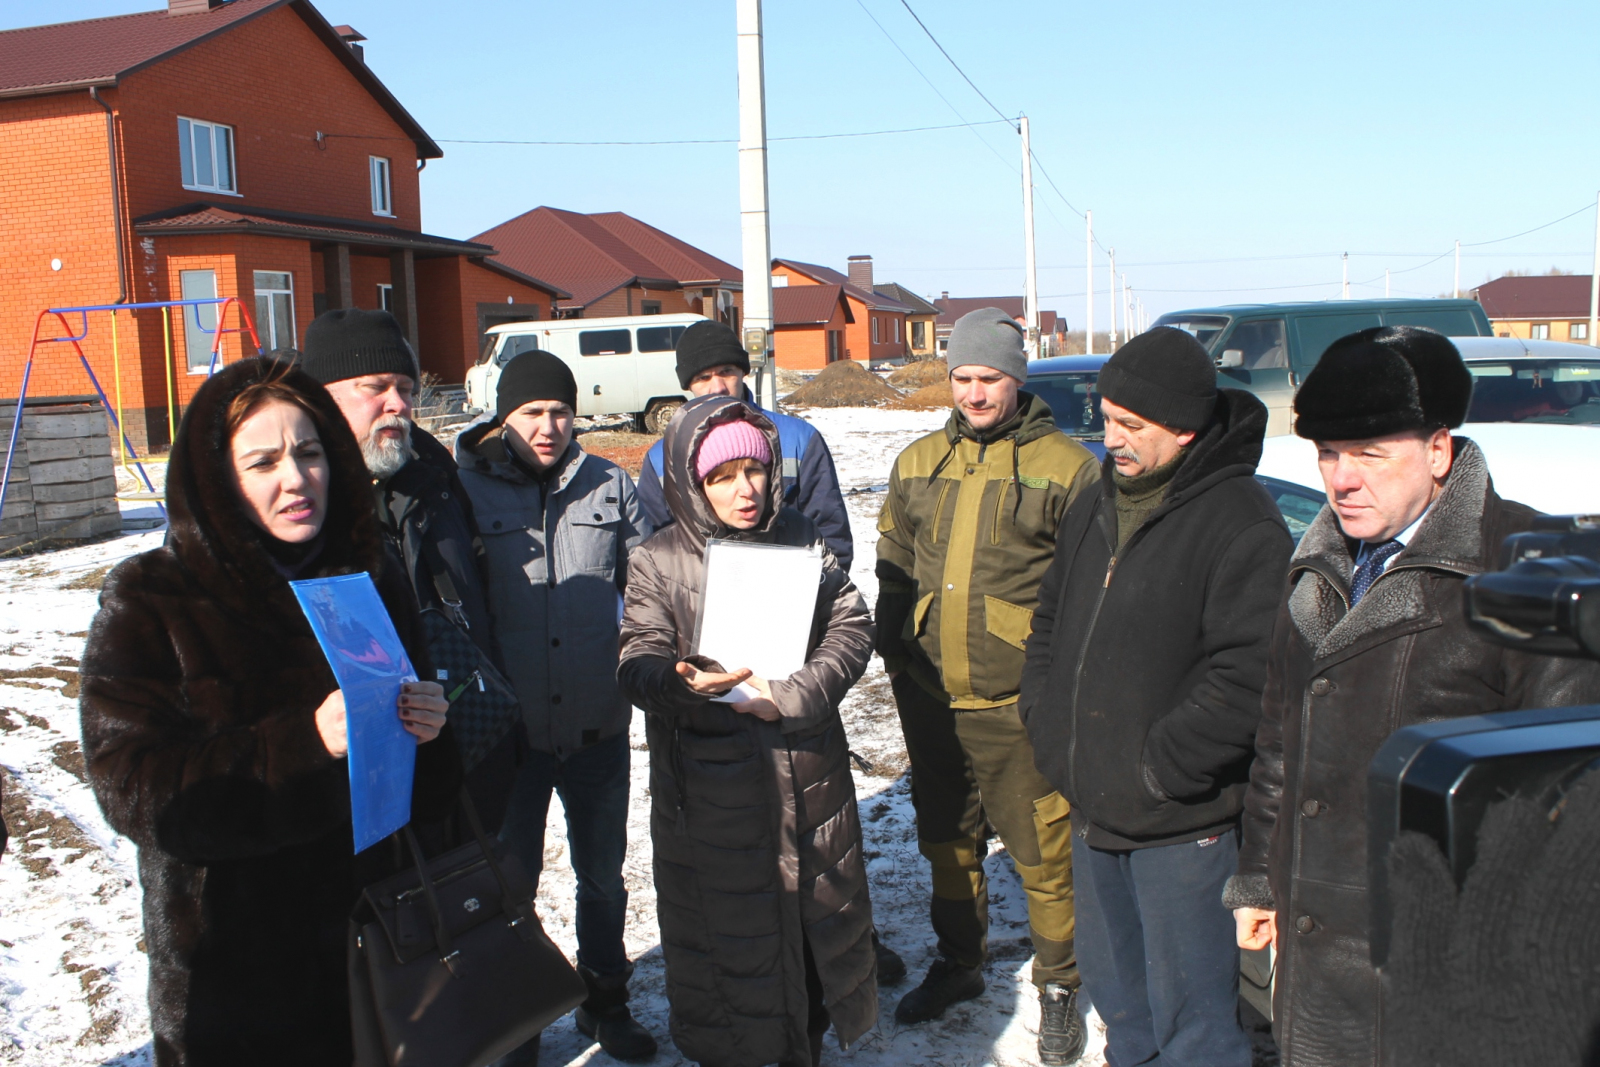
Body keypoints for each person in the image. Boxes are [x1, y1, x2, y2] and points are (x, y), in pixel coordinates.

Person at [1227, 326, 1600, 1066]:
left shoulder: (1524, 569)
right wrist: (1261, 882)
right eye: (1328, 453)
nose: (1341, 478)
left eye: (1370, 453)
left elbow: (1565, 804)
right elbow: (1278, 733)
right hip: (1313, 949)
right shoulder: (1319, 561)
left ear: (1438, 450)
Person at [78, 357, 458, 1067]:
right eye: (264, 461)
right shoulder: (154, 596)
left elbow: (426, 791)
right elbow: (135, 788)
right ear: (219, 478)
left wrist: (430, 733)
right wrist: (306, 741)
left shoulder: (366, 576)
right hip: (234, 978)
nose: (296, 478)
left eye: (310, 452)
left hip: (372, 958)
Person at [1020, 327, 1291, 1067]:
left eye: (1132, 426)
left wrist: (1159, 769)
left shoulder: (1243, 521)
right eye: (1107, 419)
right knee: (1124, 1011)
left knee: (1196, 1026)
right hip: (1093, 811)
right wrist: (1049, 729)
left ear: (1185, 427)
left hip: (1181, 827)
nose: (1112, 440)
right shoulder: (1096, 500)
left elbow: (1248, 678)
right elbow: (1048, 622)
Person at [618, 394, 877, 1067]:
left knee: (809, 943)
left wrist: (789, 695)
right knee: (730, 954)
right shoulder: (658, 559)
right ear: (693, 482)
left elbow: (852, 627)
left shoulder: (799, 534)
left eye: (755, 471)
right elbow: (635, 659)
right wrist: (677, 680)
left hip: (808, 774)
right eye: (722, 477)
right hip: (711, 794)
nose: (744, 490)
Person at [875, 307, 1098, 1064]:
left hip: (1018, 705)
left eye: (990, 378)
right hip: (934, 700)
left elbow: (1090, 587)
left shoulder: (1069, 468)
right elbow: (894, 555)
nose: (974, 393)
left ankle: (1061, 985)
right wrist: (894, 640)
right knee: (947, 842)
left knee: (1044, 852)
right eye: (963, 378)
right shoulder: (916, 462)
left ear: (1017, 377)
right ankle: (960, 964)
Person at [453, 350, 655, 1063]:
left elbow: (650, 587)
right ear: (504, 414)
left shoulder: (609, 484)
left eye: (561, 412)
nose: (549, 426)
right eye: (533, 412)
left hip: (598, 724)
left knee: (603, 878)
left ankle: (606, 1001)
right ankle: (523, 1018)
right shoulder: (465, 490)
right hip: (511, 738)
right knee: (511, 888)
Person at [299, 309, 516, 828]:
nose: (397, 404)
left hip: (462, 759)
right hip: (348, 794)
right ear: (321, 398)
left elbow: (478, 598)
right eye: (375, 387)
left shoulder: (435, 476)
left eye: (406, 388)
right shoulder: (295, 507)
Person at [637, 319, 854, 570]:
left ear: (743, 371)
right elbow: (653, 543)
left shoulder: (800, 439)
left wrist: (812, 597)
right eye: (703, 377)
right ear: (688, 385)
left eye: (727, 371)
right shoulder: (661, 458)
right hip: (700, 601)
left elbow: (831, 535)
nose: (717, 386)